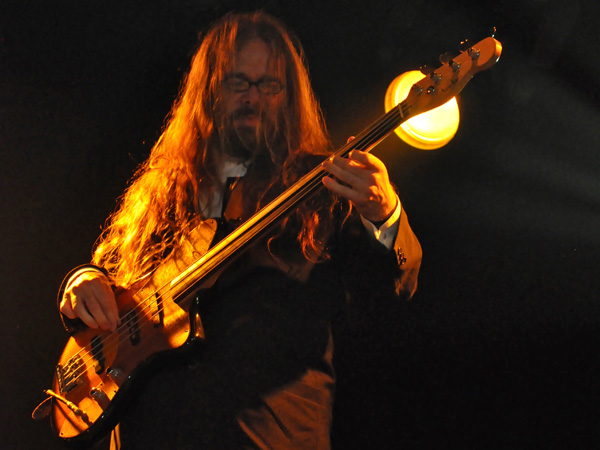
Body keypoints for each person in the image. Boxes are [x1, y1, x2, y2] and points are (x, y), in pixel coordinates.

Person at [57, 10, 422, 450]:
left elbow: (388, 294)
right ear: (209, 90)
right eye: (238, 82)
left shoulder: (321, 188)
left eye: (270, 84)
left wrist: (385, 215)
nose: (254, 98)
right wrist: (84, 281)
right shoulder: (166, 190)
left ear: (289, 97)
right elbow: (112, 286)